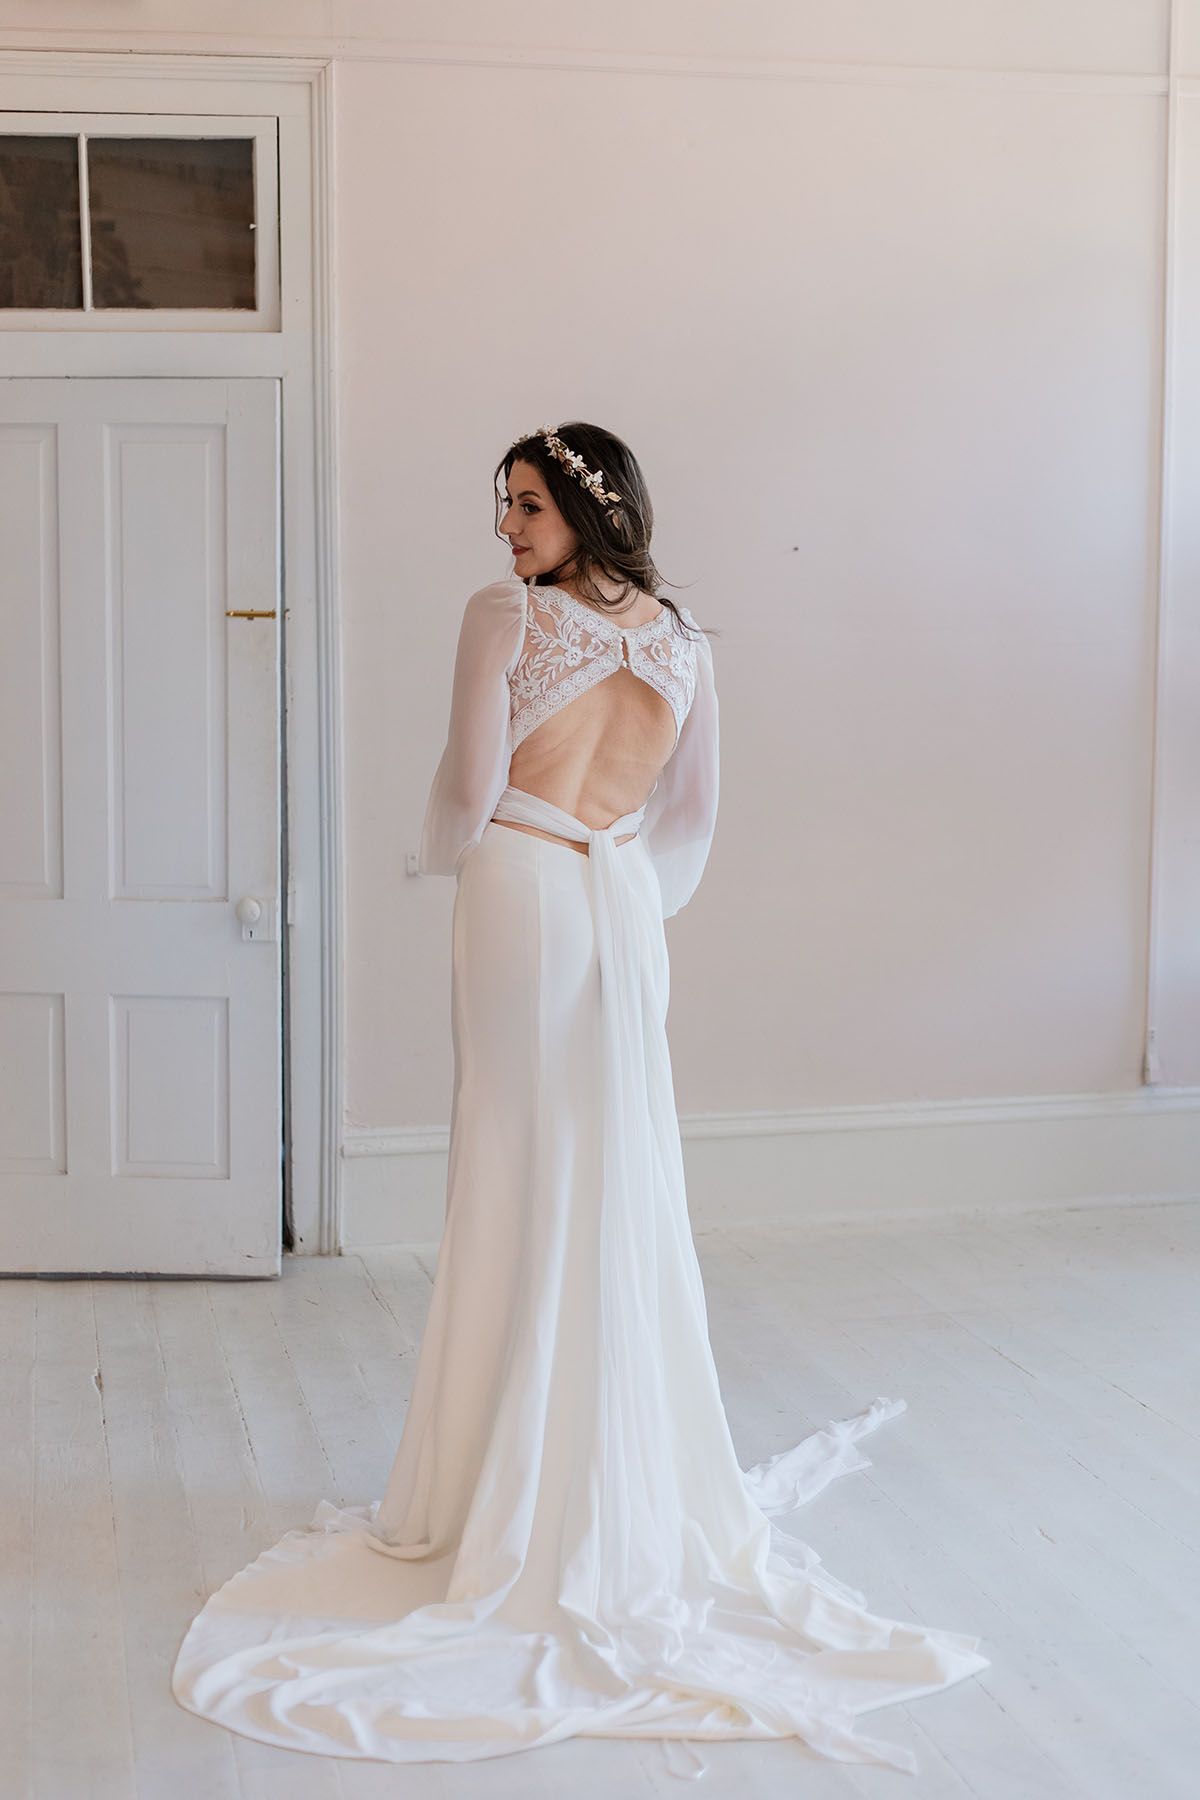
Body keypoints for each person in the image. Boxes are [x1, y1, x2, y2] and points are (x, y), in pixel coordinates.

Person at [172, 422, 989, 1781]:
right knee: (604, 1168)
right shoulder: (685, 643)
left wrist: (435, 855)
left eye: (530, 505)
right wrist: (631, 907)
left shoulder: (506, 617)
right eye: (503, 507)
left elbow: (468, 785)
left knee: (509, 1162)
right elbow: (694, 820)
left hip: (522, 885)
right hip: (618, 908)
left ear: (592, 510)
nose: (507, 530)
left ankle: (496, 1485)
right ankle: (592, 1473)